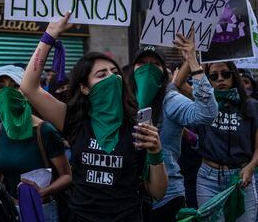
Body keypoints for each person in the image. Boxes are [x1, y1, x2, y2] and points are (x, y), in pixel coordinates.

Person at [20, 12, 168, 222]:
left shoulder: (137, 126)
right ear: (85, 88)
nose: (113, 77)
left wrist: (156, 153)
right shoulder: (74, 120)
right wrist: (49, 35)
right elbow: (29, 87)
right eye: (102, 75)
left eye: (115, 72)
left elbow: (158, 192)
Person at [129, 31, 218, 221]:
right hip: (129, 196)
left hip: (167, 197)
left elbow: (206, 114)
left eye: (155, 65)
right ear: (132, 70)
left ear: (163, 73)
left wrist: (193, 62)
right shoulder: (124, 100)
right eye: (142, 64)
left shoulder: (170, 100)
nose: (148, 69)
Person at [0, 65, 72, 222]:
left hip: (43, 211)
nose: (7, 93)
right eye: (0, 87)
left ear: (26, 92)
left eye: (15, 86)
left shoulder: (45, 131)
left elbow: (67, 176)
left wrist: (45, 191)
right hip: (11, 212)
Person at [196, 62, 258, 221]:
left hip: (240, 178)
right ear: (208, 79)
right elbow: (179, 84)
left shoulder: (251, 105)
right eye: (214, 76)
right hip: (208, 179)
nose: (220, 79)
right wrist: (202, 63)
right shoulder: (204, 104)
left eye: (226, 74)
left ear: (234, 75)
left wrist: (251, 167)